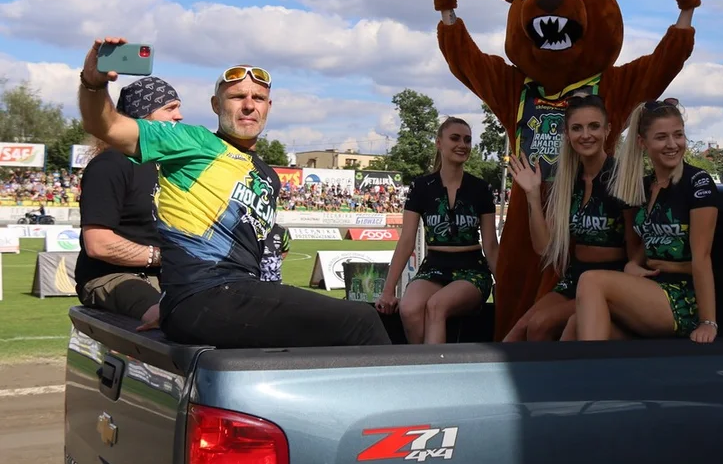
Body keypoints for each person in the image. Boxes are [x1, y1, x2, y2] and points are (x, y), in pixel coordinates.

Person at [77, 37, 391, 348]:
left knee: (385, 321)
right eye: (237, 96)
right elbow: (107, 125)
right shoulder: (193, 142)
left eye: (258, 97)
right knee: (360, 322)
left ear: (268, 107)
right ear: (215, 105)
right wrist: (93, 84)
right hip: (201, 295)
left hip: (239, 294)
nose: (249, 105)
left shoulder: (267, 175)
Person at [573, 98, 721, 344]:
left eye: (678, 135)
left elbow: (703, 257)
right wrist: (633, 263)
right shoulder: (644, 186)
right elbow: (649, 239)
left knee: (591, 280)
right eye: (661, 137)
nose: (672, 144)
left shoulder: (698, 182)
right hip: (652, 290)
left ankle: (590, 376)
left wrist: (708, 322)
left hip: (683, 298)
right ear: (642, 142)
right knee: (573, 326)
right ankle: (578, 381)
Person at [502, 93, 635, 341]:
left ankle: (547, 381)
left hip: (612, 280)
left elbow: (637, 246)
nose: (586, 135)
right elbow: (543, 247)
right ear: (567, 134)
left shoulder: (621, 179)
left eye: (594, 126)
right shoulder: (567, 181)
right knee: (519, 330)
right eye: (577, 128)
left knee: (540, 325)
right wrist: (532, 195)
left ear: (607, 130)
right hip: (576, 276)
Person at [375, 117, 499, 344]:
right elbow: (406, 241)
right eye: (455, 138)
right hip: (434, 267)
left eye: (467, 140)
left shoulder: (480, 188)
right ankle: (421, 371)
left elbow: (490, 244)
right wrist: (388, 290)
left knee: (436, 306)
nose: (463, 144)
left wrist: (503, 284)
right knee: (409, 307)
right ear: (439, 143)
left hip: (471, 270)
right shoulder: (421, 187)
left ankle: (435, 374)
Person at [74, 76, 184, 326]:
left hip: (168, 275)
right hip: (112, 277)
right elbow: (98, 245)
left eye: (178, 107)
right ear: (141, 116)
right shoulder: (110, 165)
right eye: (170, 108)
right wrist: (164, 257)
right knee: (167, 316)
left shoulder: (171, 166)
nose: (179, 116)